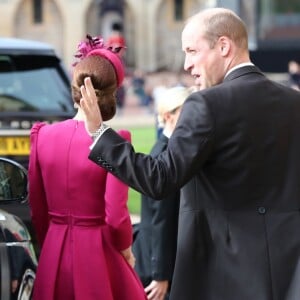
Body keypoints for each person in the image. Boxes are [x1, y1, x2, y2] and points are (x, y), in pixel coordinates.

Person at [80, 7, 300, 300]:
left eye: (192, 51)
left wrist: (99, 133)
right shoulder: (293, 102)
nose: (187, 64)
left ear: (224, 46)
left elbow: (159, 179)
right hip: (288, 271)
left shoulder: (205, 105)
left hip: (220, 273)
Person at [28, 35, 146, 300]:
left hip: (54, 251)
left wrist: (52, 245)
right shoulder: (116, 140)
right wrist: (126, 250)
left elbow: (37, 206)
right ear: (111, 93)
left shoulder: (42, 136)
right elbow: (116, 215)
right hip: (98, 253)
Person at [133, 86, 191, 300]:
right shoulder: (164, 154)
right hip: (157, 265)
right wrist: (161, 275)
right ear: (169, 116)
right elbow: (161, 219)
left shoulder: (171, 150)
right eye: (187, 112)